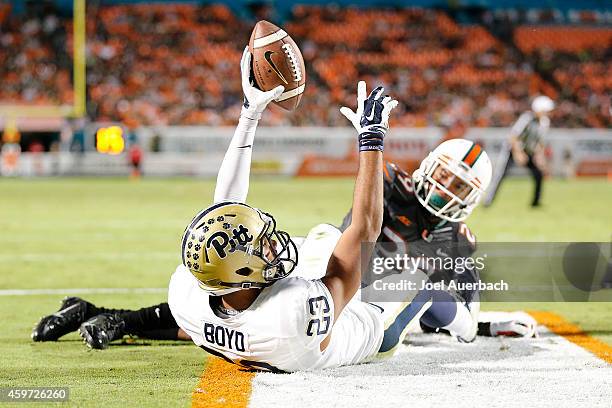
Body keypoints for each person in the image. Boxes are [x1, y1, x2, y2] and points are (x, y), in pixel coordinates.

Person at [484, 95, 554, 207]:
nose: (548, 113)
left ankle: (535, 203)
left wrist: (539, 156)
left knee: (538, 174)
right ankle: (488, 201)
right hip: (513, 150)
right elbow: (513, 136)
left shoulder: (544, 122)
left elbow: (540, 142)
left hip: (528, 151)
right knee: (500, 175)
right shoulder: (527, 118)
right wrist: (518, 153)